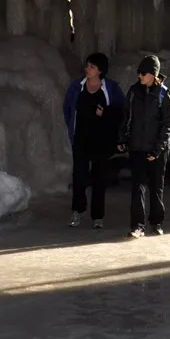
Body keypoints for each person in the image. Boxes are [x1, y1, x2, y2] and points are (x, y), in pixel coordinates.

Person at [62, 52, 124, 229]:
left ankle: (98, 216)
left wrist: (105, 113)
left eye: (92, 67)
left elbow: (120, 111)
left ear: (100, 71)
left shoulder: (111, 88)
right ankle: (78, 210)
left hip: (101, 141)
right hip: (81, 139)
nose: (87, 69)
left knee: (99, 179)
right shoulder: (77, 87)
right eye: (87, 65)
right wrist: (72, 128)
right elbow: (67, 108)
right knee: (79, 177)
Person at [119, 55, 170, 238]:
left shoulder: (164, 94)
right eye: (139, 73)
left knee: (156, 187)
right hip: (137, 147)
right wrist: (122, 140)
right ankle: (137, 226)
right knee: (137, 188)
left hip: (157, 150)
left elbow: (168, 125)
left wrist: (157, 150)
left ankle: (156, 222)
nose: (139, 76)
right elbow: (126, 117)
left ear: (153, 74)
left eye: (143, 73)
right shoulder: (134, 92)